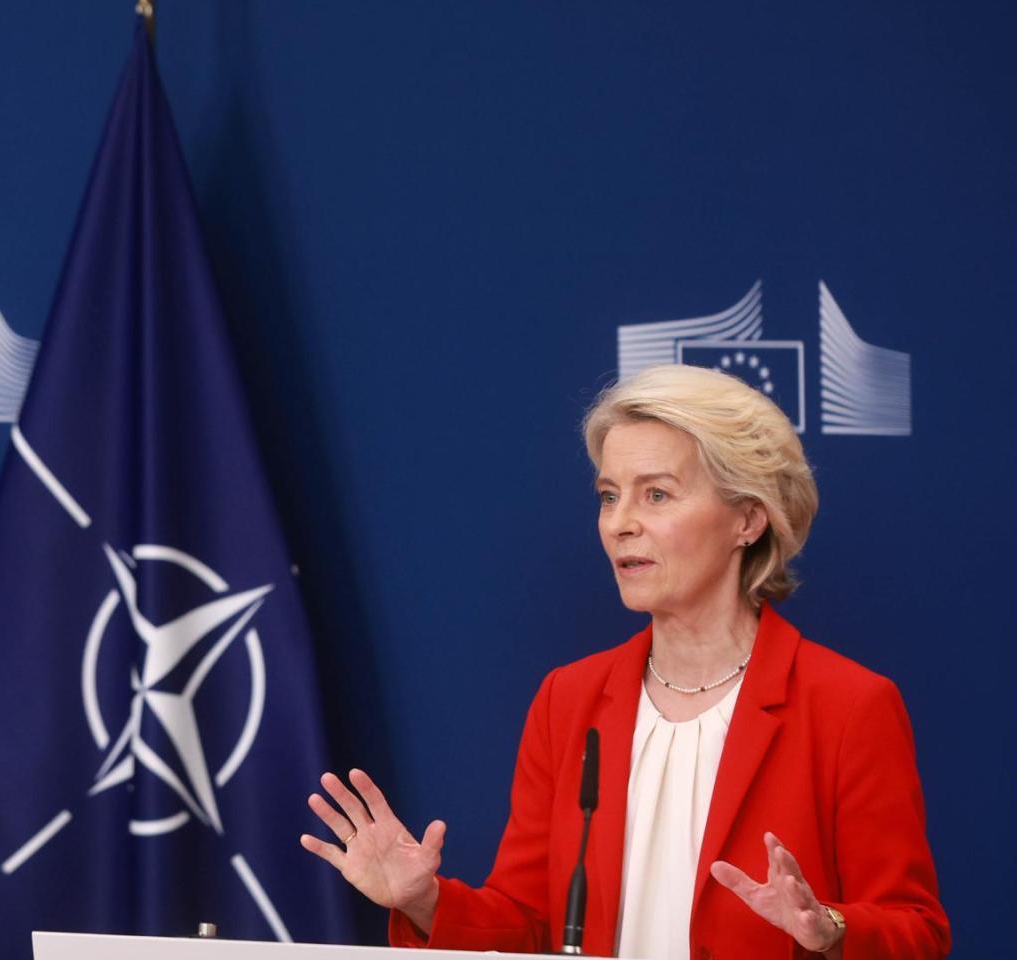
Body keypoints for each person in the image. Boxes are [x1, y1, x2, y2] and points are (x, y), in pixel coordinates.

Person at [301, 364, 949, 958]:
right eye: (610, 496)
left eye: (657, 495)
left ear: (748, 520)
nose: (619, 524)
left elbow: (916, 929)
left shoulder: (846, 704)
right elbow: (530, 925)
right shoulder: (570, 699)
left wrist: (828, 927)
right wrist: (424, 900)